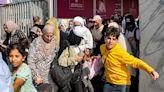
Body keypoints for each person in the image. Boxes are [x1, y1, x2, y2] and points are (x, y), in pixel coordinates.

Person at [100, 27, 159, 92]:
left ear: (117, 41)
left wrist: (151, 70)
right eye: (109, 38)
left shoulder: (120, 53)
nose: (111, 41)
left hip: (121, 84)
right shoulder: (102, 48)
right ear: (105, 38)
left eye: (114, 39)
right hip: (108, 83)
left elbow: (136, 62)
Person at [27, 24, 58, 91]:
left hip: (51, 77)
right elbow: (30, 61)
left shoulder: (54, 41)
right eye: (47, 36)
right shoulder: (36, 42)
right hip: (38, 77)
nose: (49, 38)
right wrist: (36, 76)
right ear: (43, 33)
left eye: (51, 36)